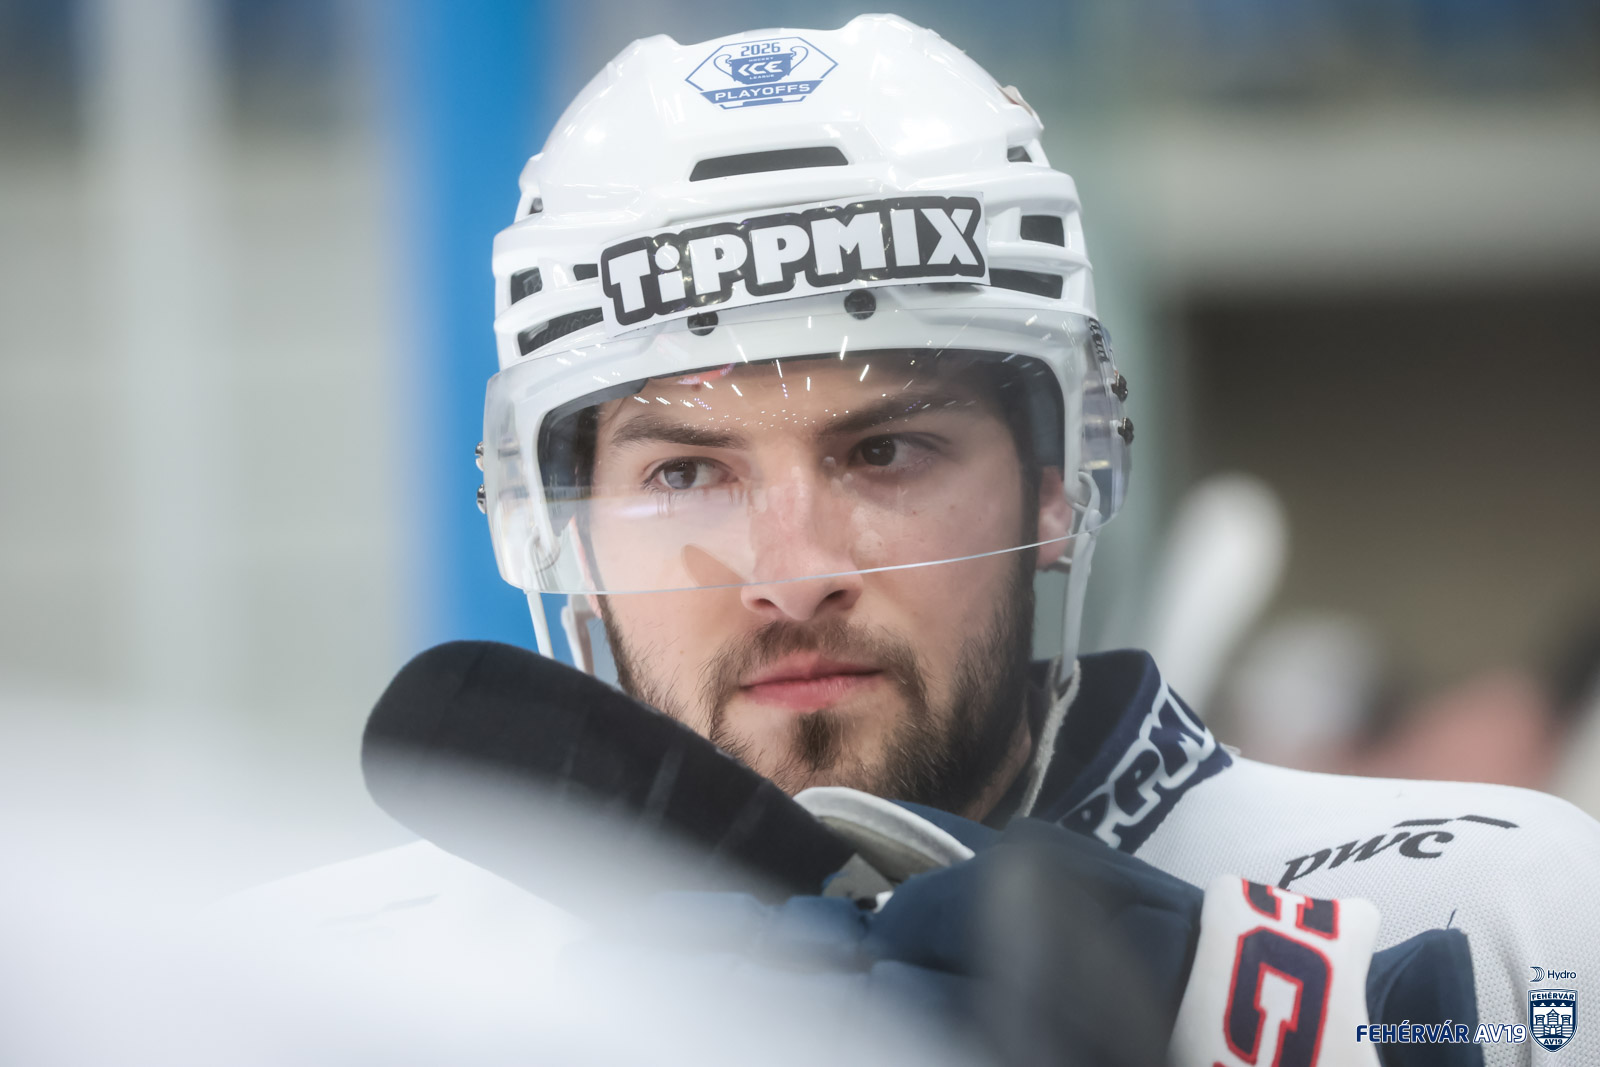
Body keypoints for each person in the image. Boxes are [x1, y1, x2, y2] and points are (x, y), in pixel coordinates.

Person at [258, 15, 1599, 1066]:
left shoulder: (1507, 909)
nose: (791, 576)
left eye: (884, 453)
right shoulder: (319, 993)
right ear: (567, 536)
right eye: (687, 474)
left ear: (1058, 482)